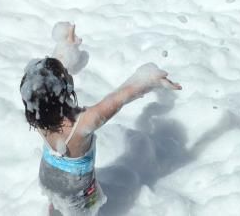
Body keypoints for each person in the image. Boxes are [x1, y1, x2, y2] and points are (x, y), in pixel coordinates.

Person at [21, 22, 180, 214]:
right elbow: (119, 98)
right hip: (76, 188)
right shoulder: (83, 123)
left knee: (59, 206)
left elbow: (46, 83)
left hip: (48, 174)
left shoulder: (38, 113)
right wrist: (149, 79)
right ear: (64, 90)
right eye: (65, 75)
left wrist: (66, 46)